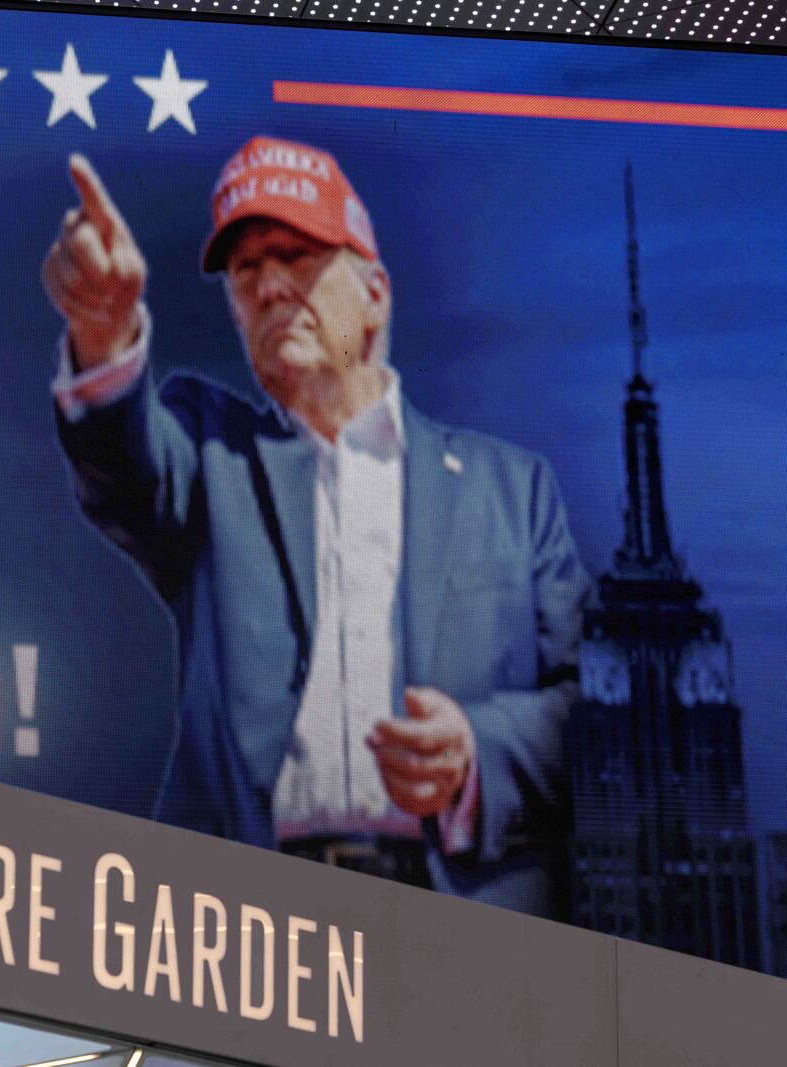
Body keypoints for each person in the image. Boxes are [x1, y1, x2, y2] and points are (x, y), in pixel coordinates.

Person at [43, 136, 590, 918]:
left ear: (375, 292)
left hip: (460, 938)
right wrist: (101, 331)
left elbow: (596, 717)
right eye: (245, 270)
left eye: (295, 256)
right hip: (246, 935)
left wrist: (477, 747)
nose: (267, 286)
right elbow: (124, 468)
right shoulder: (210, 457)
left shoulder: (513, 491)